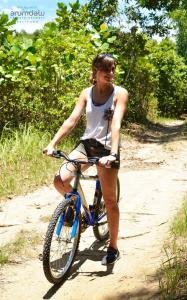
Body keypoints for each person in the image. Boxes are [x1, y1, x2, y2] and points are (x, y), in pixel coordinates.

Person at [43, 53, 128, 265]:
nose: (110, 73)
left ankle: (113, 247)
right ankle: (77, 207)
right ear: (95, 71)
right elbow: (71, 120)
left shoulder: (120, 93)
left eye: (112, 69)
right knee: (59, 180)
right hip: (86, 145)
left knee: (110, 201)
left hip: (107, 148)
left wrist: (113, 154)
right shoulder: (86, 93)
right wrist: (52, 144)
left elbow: (116, 124)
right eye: (105, 69)